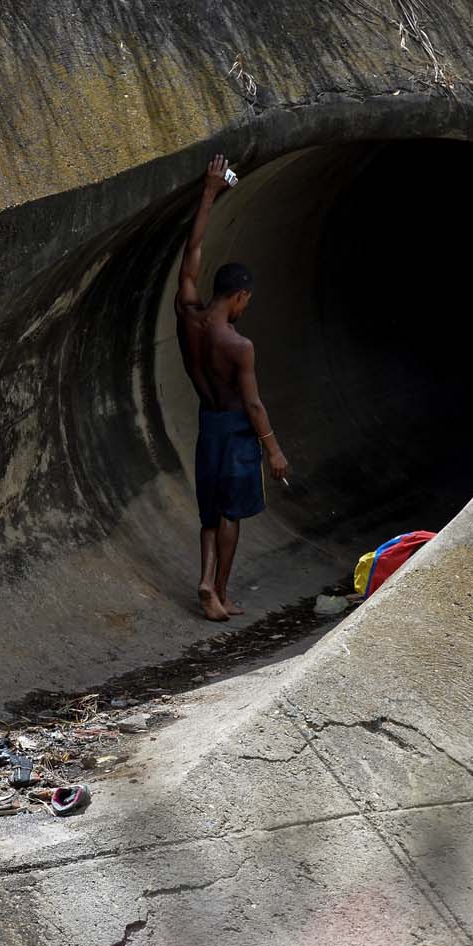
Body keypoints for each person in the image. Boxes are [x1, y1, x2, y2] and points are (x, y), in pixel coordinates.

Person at [175, 154, 290, 622]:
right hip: (237, 433)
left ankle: (205, 580)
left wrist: (208, 193)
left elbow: (190, 259)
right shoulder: (238, 345)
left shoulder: (188, 317)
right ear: (239, 296)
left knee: (210, 510)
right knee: (231, 514)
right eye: (247, 300)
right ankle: (219, 589)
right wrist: (274, 451)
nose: (247, 306)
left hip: (207, 424)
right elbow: (254, 403)